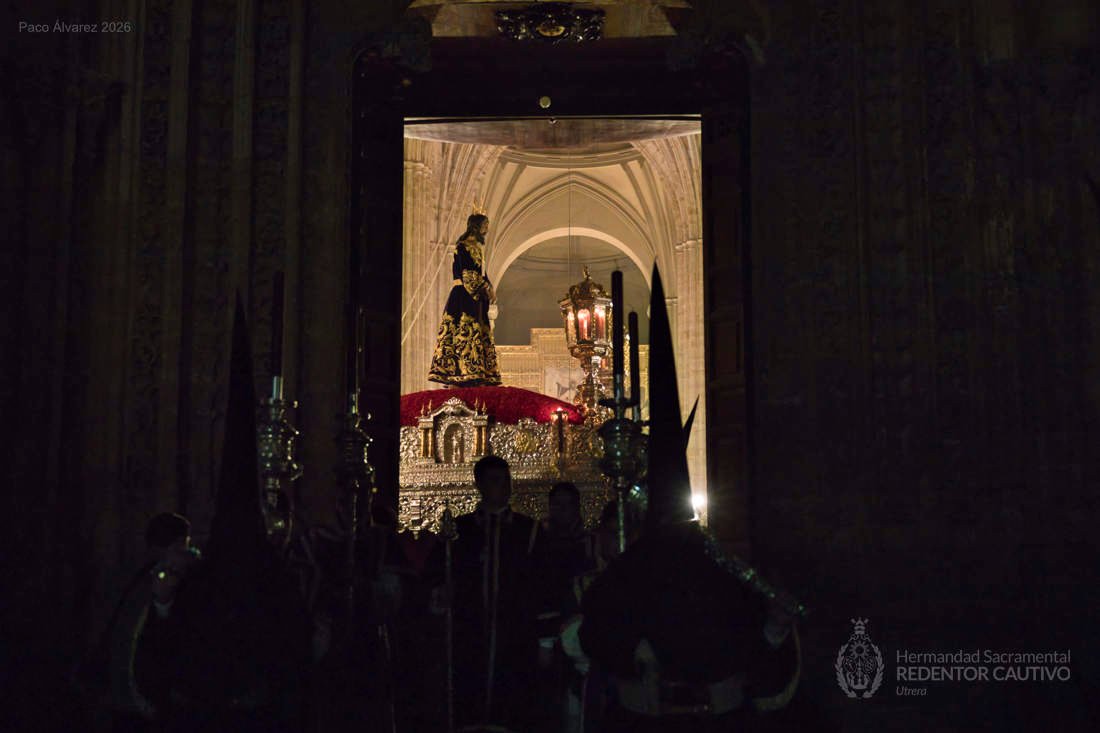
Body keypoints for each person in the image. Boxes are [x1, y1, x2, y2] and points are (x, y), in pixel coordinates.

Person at [576, 266, 802, 733]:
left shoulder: (719, 568)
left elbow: (755, 645)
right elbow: (596, 636)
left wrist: (774, 627)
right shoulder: (629, 573)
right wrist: (630, 650)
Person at [132, 300, 312, 732]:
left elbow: (293, 657)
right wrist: (163, 600)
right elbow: (164, 657)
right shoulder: (200, 580)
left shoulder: (272, 579)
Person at [429, 455, 540, 731]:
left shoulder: (529, 530)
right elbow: (437, 574)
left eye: (506, 480)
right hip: (470, 627)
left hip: (513, 630)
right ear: (479, 484)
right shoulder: (460, 530)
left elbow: (541, 582)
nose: (502, 487)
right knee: (469, 688)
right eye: (495, 480)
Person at [74, 513, 197, 732]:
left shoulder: (132, 578)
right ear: (178, 544)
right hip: (139, 702)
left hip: (126, 699)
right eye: (183, 546)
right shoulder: (157, 581)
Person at [428, 210, 502, 386]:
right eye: (484, 225)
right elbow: (467, 273)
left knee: (479, 330)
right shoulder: (463, 246)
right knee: (463, 329)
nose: (486, 229)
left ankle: (478, 370)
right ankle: (460, 371)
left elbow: (482, 273)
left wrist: (490, 289)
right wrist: (484, 288)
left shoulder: (478, 248)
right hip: (464, 294)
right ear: (476, 226)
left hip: (477, 296)